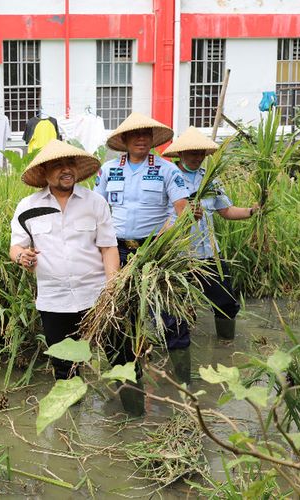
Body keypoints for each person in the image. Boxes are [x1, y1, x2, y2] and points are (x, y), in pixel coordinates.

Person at [94, 112, 189, 416]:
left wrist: (161, 240)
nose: (140, 139)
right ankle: (130, 373)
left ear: (152, 139)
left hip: (155, 250)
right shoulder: (109, 170)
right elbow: (97, 210)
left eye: (146, 134)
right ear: (123, 141)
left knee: (168, 312)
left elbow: (181, 211)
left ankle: (183, 381)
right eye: (134, 135)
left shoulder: (167, 170)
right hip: (117, 251)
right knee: (121, 311)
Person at [10, 140, 119, 382]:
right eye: (58, 165)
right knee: (64, 369)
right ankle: (72, 417)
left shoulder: (95, 203)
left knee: (121, 356)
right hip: (54, 301)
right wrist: (22, 256)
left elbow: (109, 247)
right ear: (44, 172)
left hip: (97, 295)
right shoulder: (28, 207)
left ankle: (134, 414)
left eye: (70, 163)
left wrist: (113, 290)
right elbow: (16, 246)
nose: (66, 169)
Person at [163, 127, 259, 347]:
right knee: (177, 309)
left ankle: (226, 346)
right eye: (192, 153)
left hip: (209, 254)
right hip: (178, 256)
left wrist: (252, 211)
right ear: (181, 154)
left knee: (226, 302)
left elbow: (226, 211)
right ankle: (179, 355)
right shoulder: (168, 177)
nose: (197, 158)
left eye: (200, 153)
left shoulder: (210, 180)